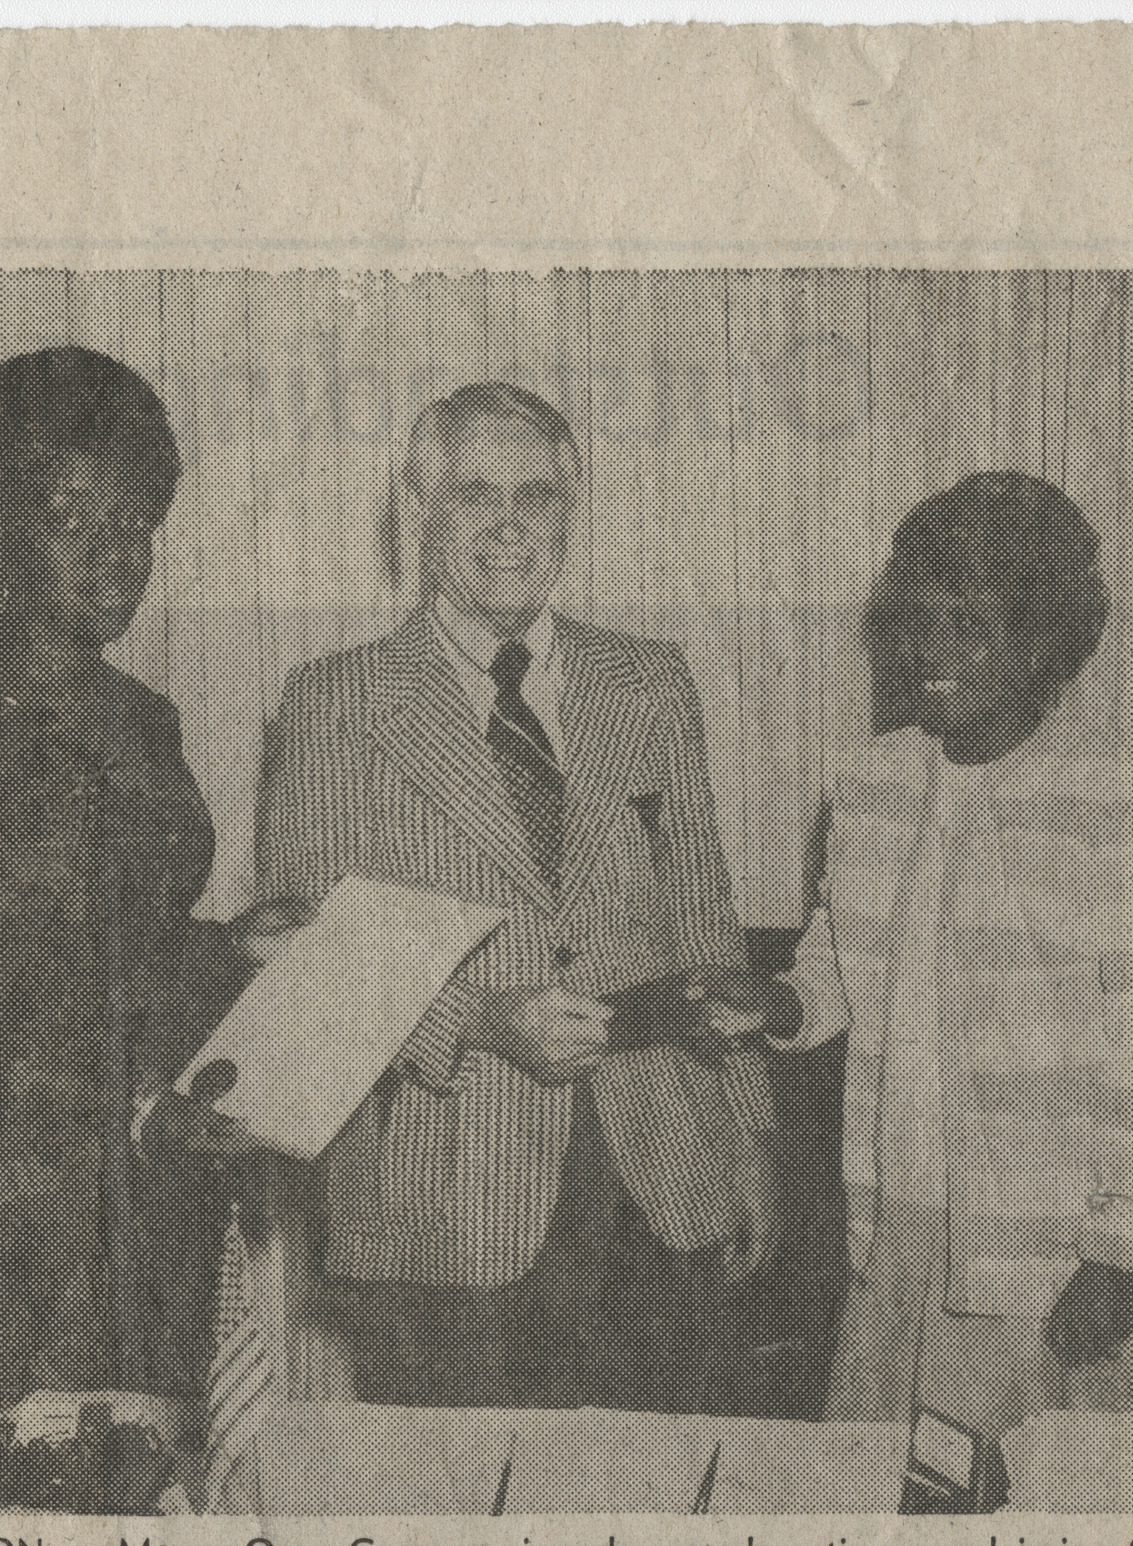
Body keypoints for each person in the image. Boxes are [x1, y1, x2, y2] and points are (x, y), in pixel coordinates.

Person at [258, 381, 776, 1413]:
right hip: (446, 1195)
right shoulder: (335, 700)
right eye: (472, 495)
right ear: (419, 514)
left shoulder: (652, 680)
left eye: (534, 497)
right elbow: (311, 956)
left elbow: (708, 923)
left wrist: (753, 1136)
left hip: (661, 1170)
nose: (506, 526)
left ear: (568, 514)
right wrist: (484, 1020)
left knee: (649, 1514)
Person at [700, 472, 1133, 1496]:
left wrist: (1115, 1253)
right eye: (920, 621)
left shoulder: (1118, 798)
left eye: (969, 625)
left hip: (1039, 1253)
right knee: (874, 1492)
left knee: (996, 1512)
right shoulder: (874, 783)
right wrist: (775, 1004)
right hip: (891, 1224)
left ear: (1041, 641)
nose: (933, 652)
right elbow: (837, 969)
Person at [0, 346, 283, 1446]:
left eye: (136, 520)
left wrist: (233, 949)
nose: (115, 553)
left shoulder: (147, 722)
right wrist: (141, 1108)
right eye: (72, 516)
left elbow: (121, 949)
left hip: (148, 1218)